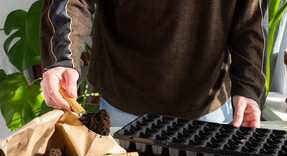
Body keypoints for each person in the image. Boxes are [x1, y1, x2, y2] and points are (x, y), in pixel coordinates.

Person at [39, 1, 266, 128]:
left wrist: (247, 86)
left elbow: (249, 16)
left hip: (208, 103)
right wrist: (64, 58)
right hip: (125, 100)